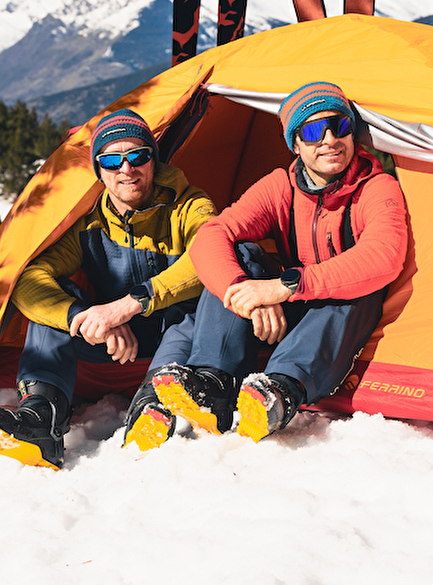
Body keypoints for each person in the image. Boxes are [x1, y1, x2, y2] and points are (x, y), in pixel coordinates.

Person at [145, 82, 409, 445]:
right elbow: (211, 235)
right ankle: (214, 383)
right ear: (295, 144)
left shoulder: (376, 187)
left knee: (355, 283)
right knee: (241, 254)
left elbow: (383, 256)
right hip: (292, 310)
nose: (330, 140)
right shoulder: (282, 186)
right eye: (314, 132)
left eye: (341, 126)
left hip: (344, 316)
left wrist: (283, 287)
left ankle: (279, 392)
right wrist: (246, 294)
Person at [0, 109, 215, 468]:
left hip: (179, 344)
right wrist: (82, 318)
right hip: (113, 347)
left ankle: (155, 404)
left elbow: (209, 258)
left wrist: (127, 305)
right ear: (99, 170)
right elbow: (29, 279)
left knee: (199, 303)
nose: (126, 169)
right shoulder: (90, 224)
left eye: (138, 156)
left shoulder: (190, 206)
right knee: (57, 296)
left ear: (154, 161)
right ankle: (40, 418)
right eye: (112, 161)